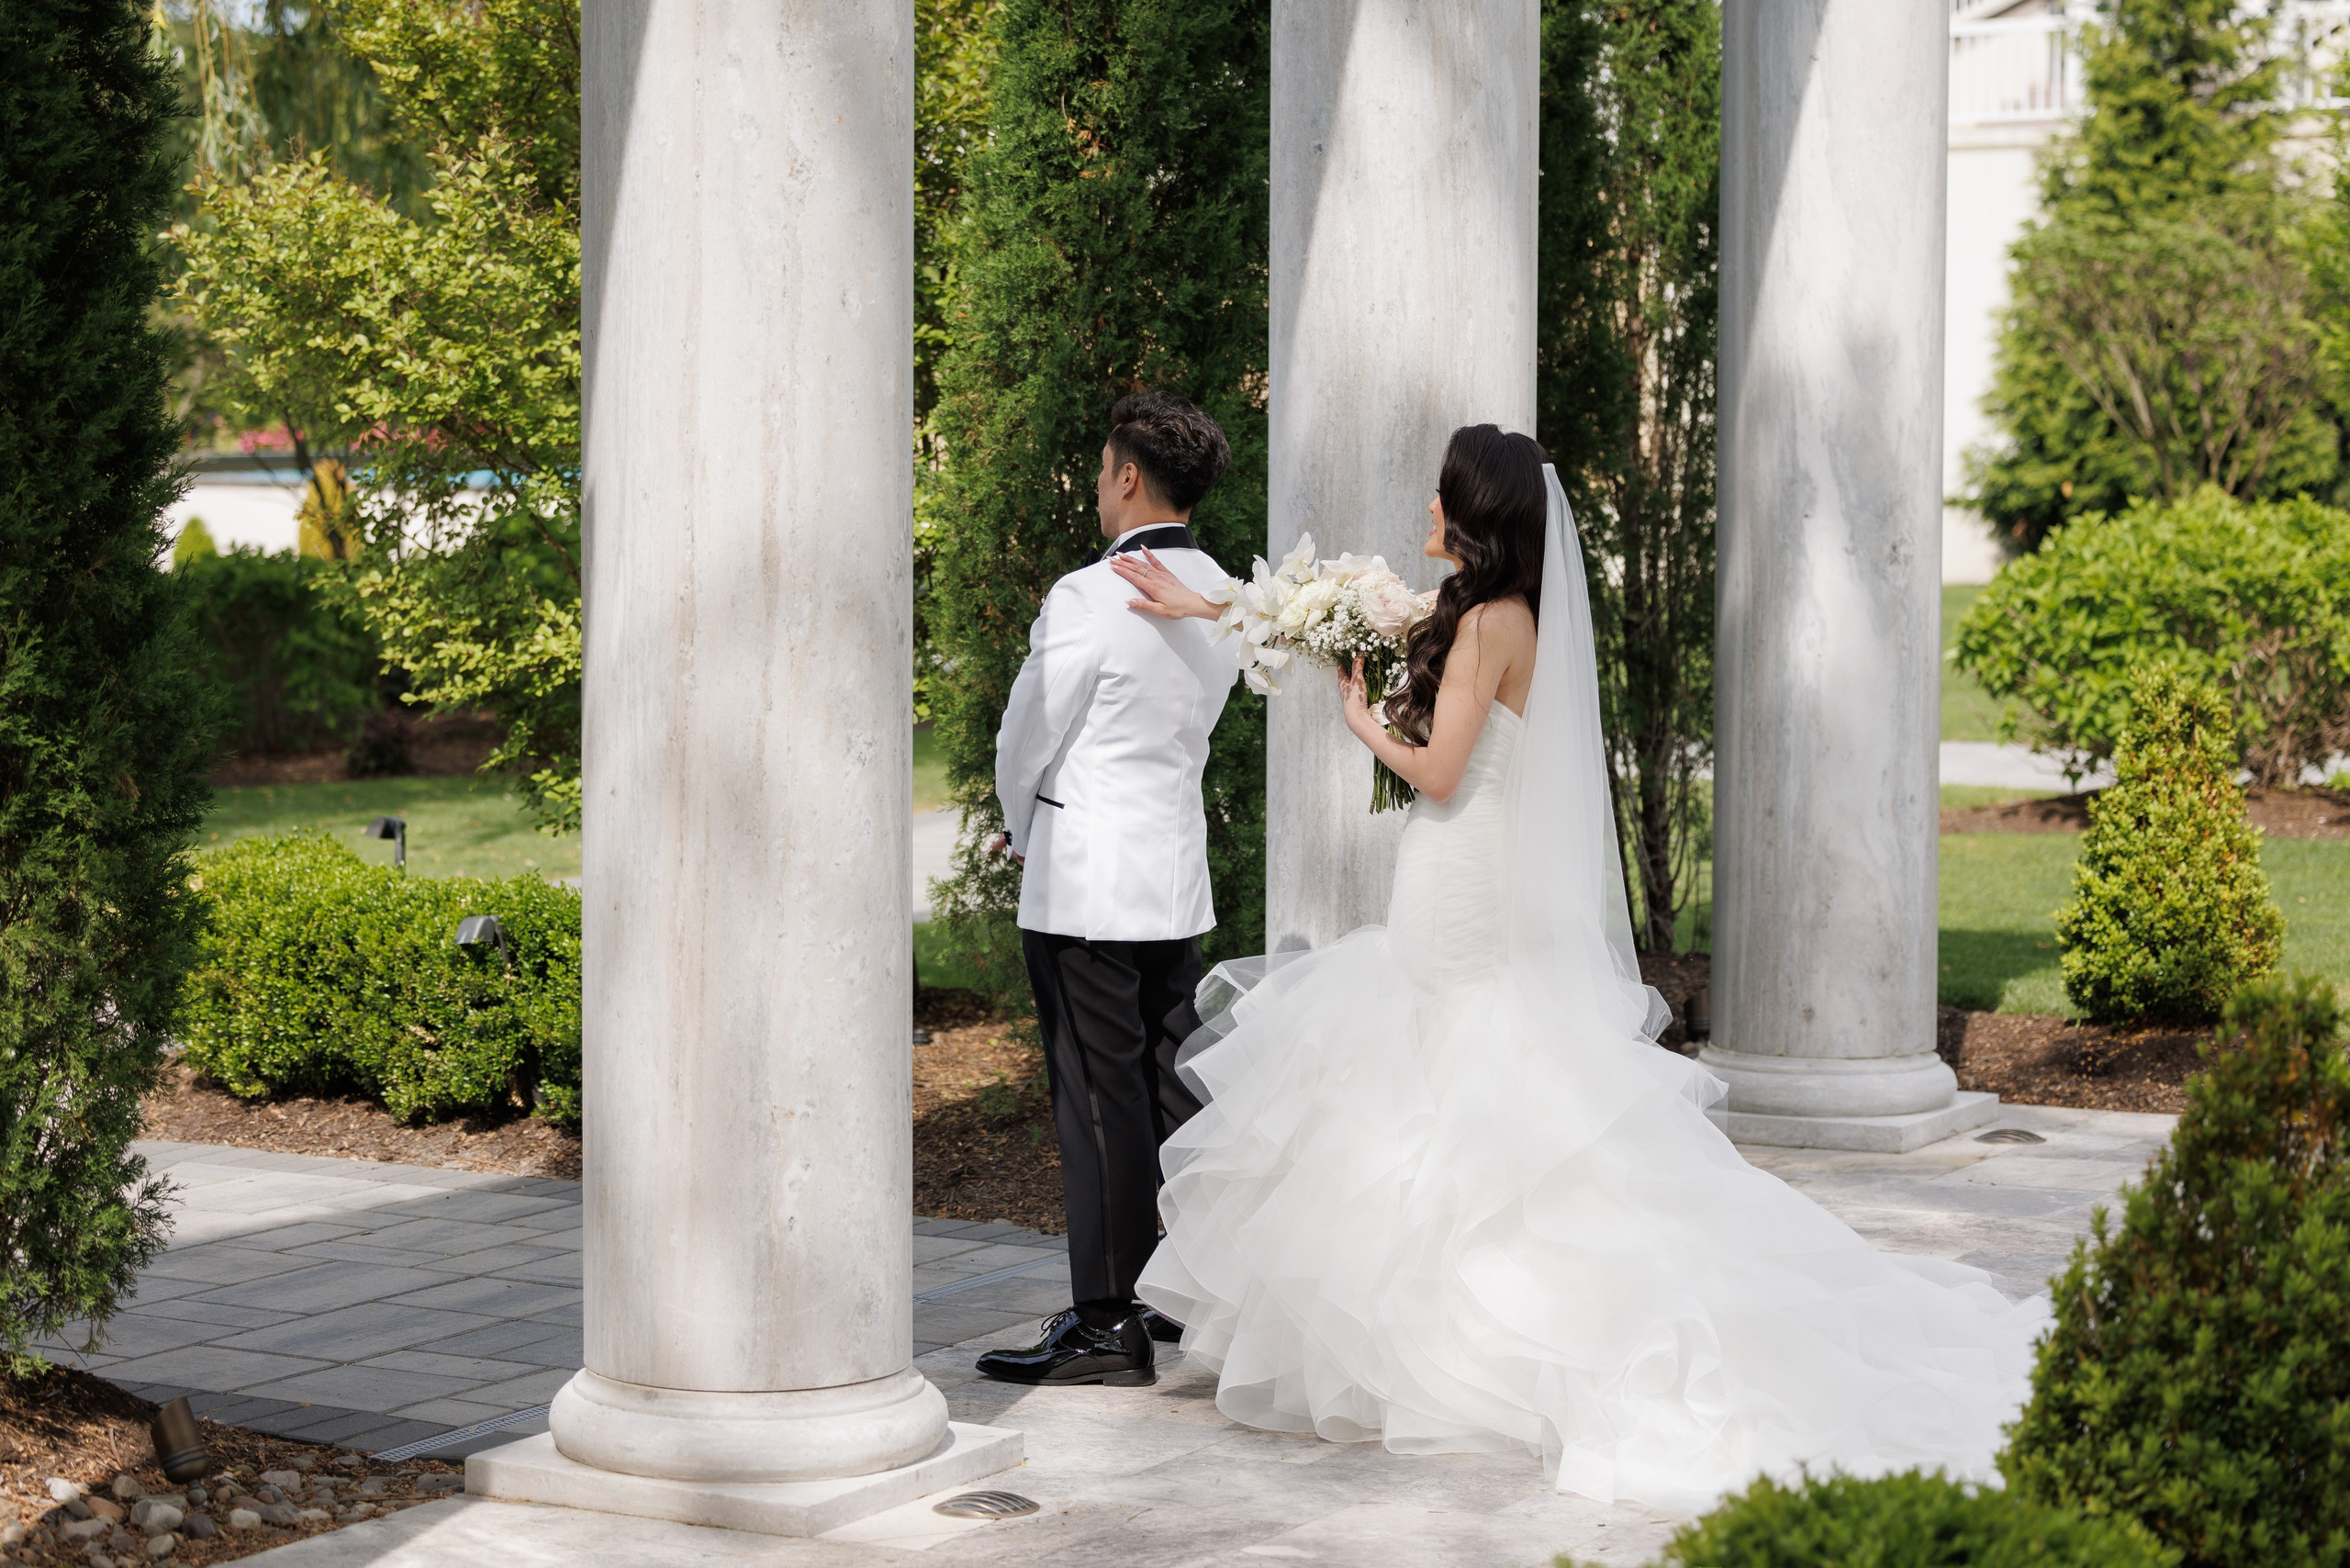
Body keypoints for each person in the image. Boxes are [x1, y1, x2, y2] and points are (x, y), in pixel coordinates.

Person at [1108, 424, 2050, 1511]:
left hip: (1453, 877)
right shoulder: (1500, 614)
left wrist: (1363, 722)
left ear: (1473, 511)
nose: (1422, 510)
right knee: (1441, 1082)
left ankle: (1460, 1336)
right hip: (1467, 880)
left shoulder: (1482, 626)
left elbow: (1443, 772)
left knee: (1438, 1074)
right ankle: (1438, 1325)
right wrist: (1225, 609)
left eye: (1437, 496)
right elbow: (1338, 620)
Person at [974, 391, 1240, 1390]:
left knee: (1095, 1099)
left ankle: (1102, 1319)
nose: (1095, 488)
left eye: (1099, 469)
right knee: (1169, 1092)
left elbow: (1028, 731)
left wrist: (1017, 817)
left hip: (1086, 880)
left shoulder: (1093, 592)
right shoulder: (1223, 591)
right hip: (1172, 874)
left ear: (1129, 475)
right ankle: (1175, 1291)